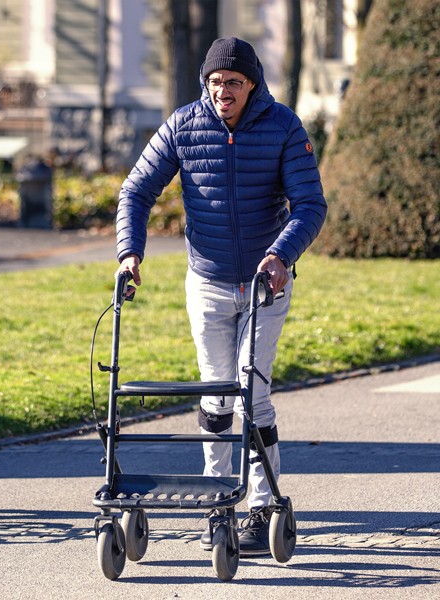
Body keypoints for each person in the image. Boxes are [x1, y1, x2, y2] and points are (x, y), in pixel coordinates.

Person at [115, 38, 327, 556]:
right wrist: (130, 252)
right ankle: (217, 499)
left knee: (251, 395)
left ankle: (261, 505)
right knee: (215, 397)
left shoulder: (282, 126)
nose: (222, 92)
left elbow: (310, 205)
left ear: (251, 85)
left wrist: (280, 255)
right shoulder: (185, 125)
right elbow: (136, 190)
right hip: (207, 280)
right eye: (214, 83)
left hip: (264, 284)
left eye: (232, 82)